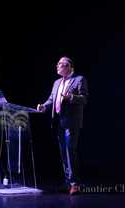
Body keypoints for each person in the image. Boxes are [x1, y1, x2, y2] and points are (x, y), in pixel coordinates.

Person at [37, 56, 88, 195]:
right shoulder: (57, 82)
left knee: (70, 151)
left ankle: (75, 184)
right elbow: (51, 99)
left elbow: (84, 99)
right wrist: (43, 106)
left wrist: (70, 97)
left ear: (69, 66)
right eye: (58, 64)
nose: (57, 66)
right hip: (58, 121)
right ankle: (67, 182)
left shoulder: (79, 79)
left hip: (72, 122)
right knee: (63, 153)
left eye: (60, 64)